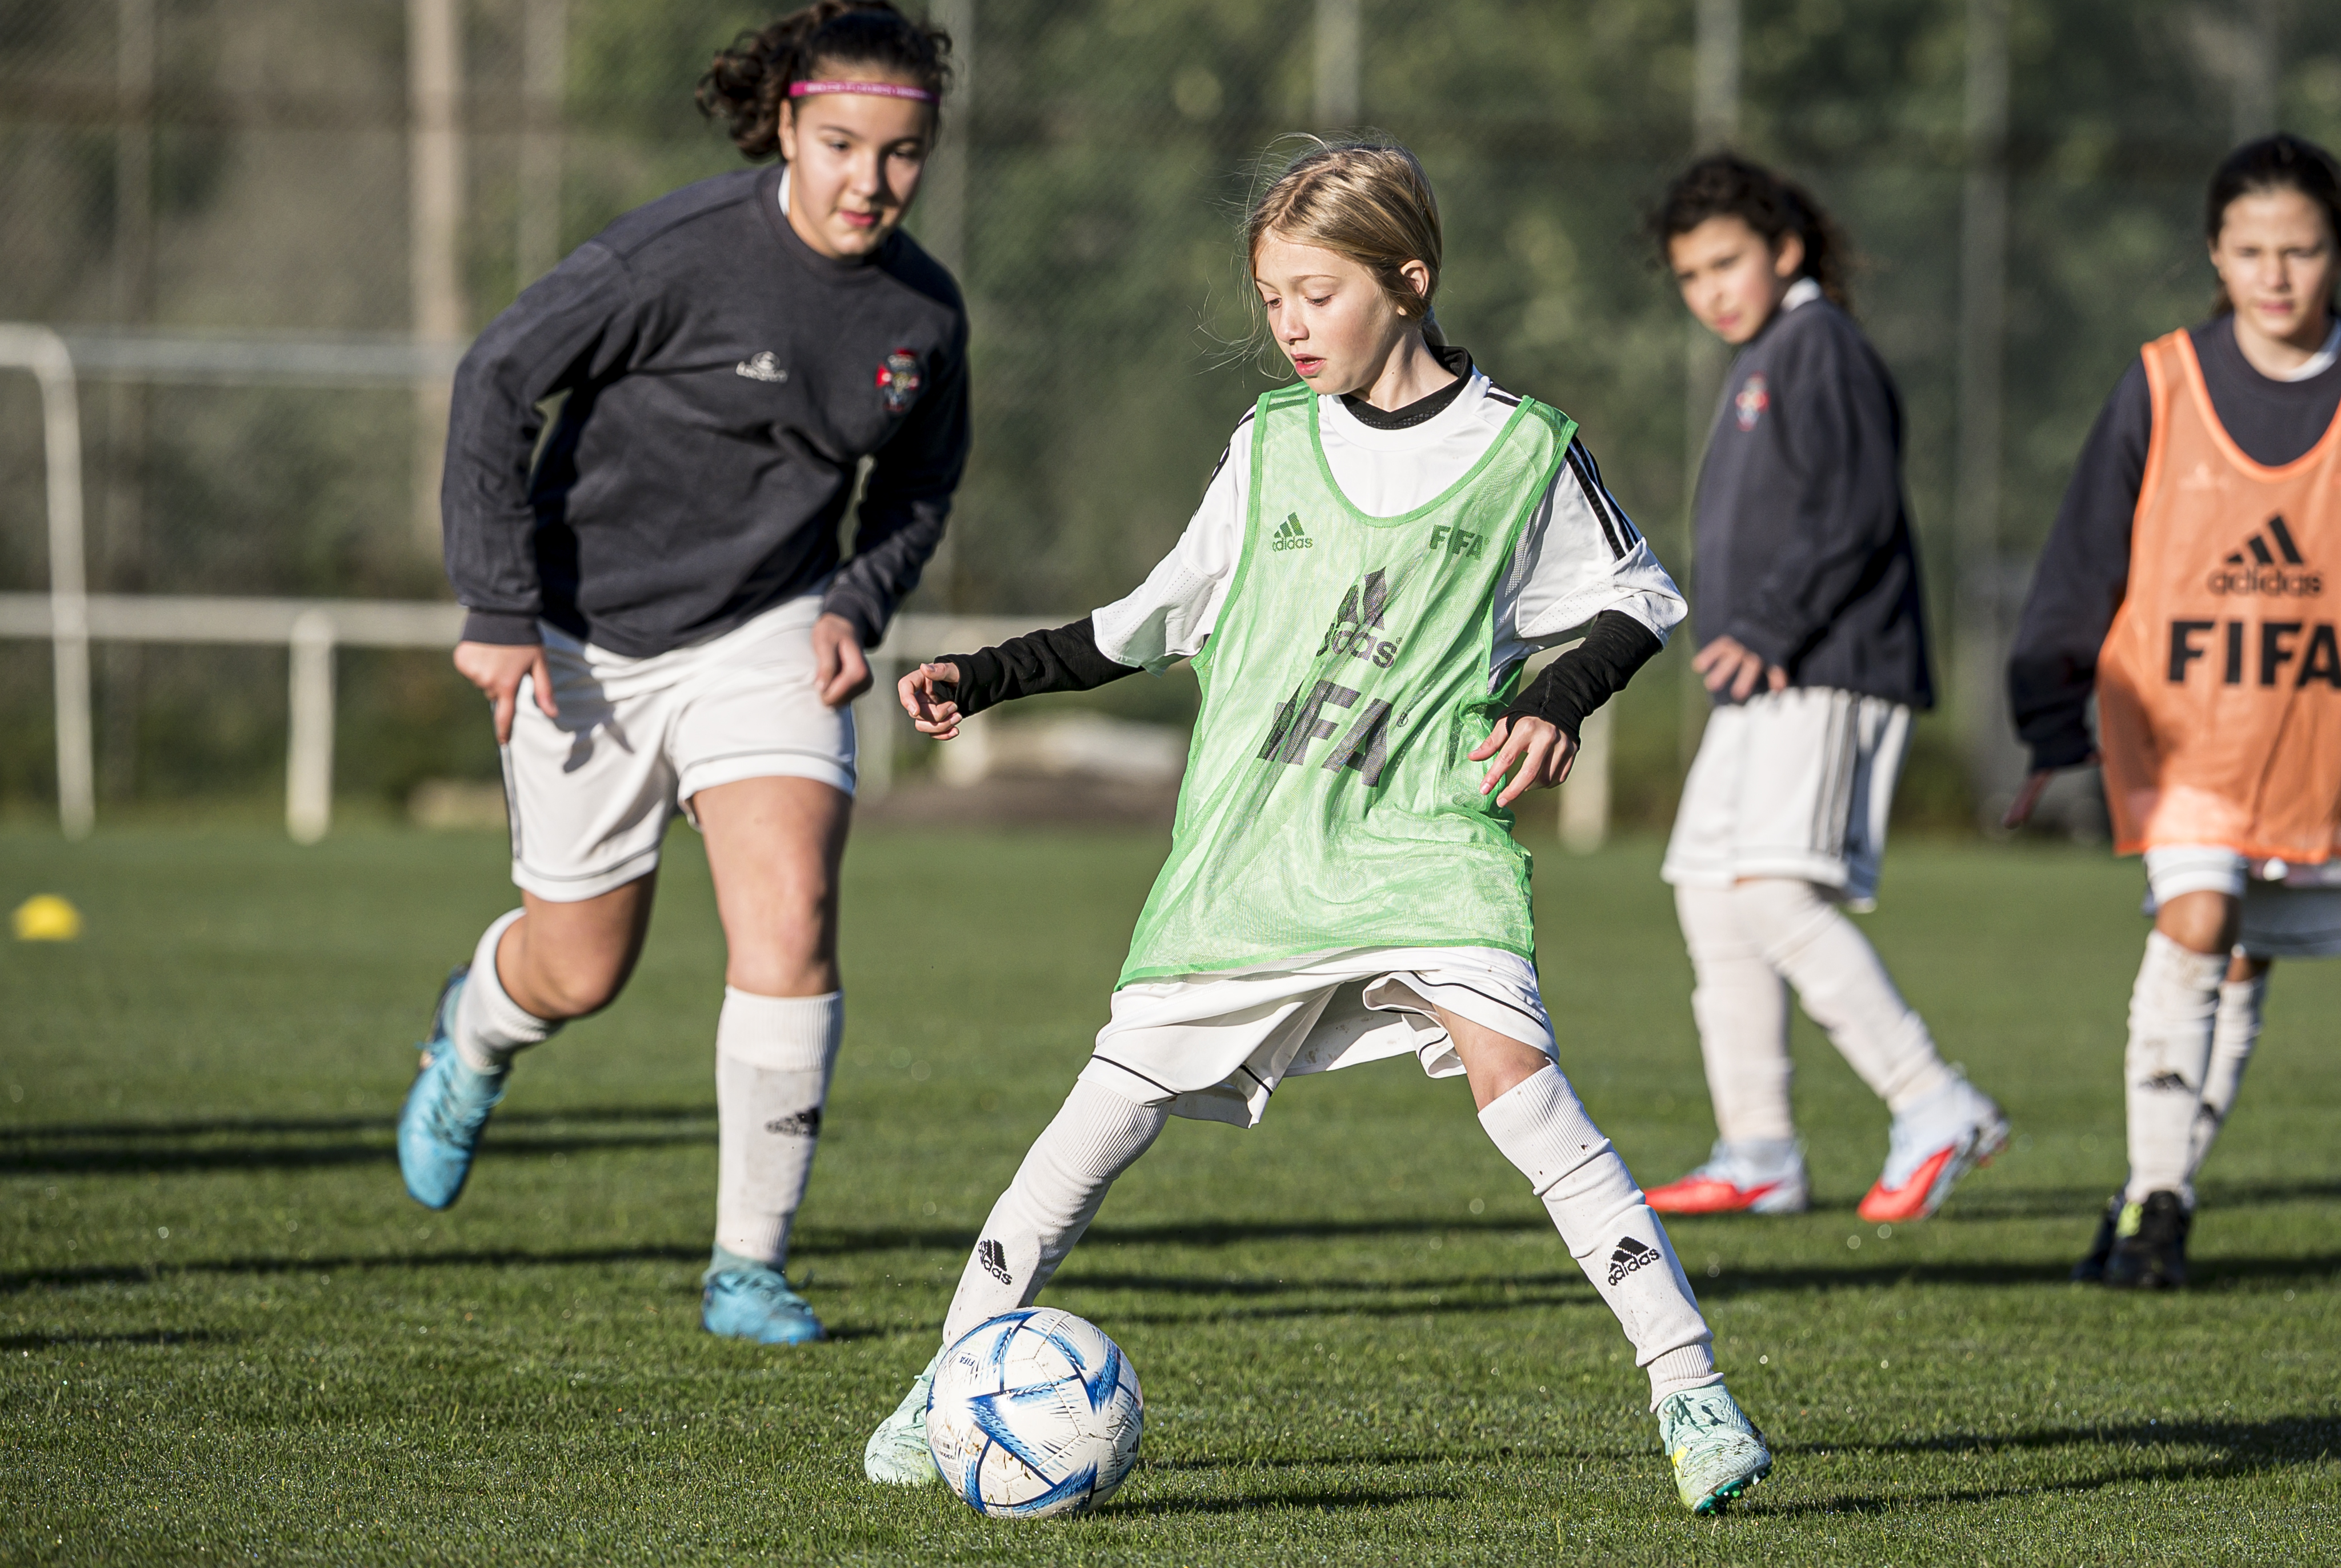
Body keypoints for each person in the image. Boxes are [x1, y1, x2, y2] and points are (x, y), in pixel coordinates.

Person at [858, 139, 1774, 1515]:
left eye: (1316, 293)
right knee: (1097, 1123)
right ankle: (947, 1382)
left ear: (1407, 281)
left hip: (1422, 837)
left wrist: (1555, 698)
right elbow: (1147, 619)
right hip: (1253, 853)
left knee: (1524, 1090)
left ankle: (1688, 1383)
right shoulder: (1269, 443)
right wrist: (985, 677)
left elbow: (1637, 596)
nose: (1287, 326)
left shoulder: (1523, 450)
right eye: (1271, 298)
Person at [395, 0, 969, 1346]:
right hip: (582, 631)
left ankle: (746, 1266)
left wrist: (855, 602)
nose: (868, 182)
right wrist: (498, 601)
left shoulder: (923, 316)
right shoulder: (673, 255)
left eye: (898, 157)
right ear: (787, 126)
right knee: (580, 967)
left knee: (790, 912)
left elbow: (919, 485)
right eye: (840, 146)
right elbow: (494, 378)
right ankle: (474, 1032)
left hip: (766, 632)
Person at [1643, 154, 2009, 1223]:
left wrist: (1767, 625)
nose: (1710, 289)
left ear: (1785, 250)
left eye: (1727, 262)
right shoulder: (1766, 354)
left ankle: (1935, 1101)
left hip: (1830, 665)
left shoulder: (1820, 346)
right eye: (1690, 273)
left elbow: (1853, 513)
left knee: (1774, 891)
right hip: (1767, 682)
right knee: (1711, 886)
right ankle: (1759, 1149)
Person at [2010, 133, 2341, 1291]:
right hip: (2188, 730)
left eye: (2299, 249)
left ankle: (2160, 1184)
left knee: (2243, 962)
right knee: (2198, 921)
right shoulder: (2161, 380)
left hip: (2316, 743)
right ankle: (2156, 1203)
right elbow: (2083, 552)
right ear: (2215, 252)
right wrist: (2048, 699)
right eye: (2250, 249)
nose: (2276, 274)